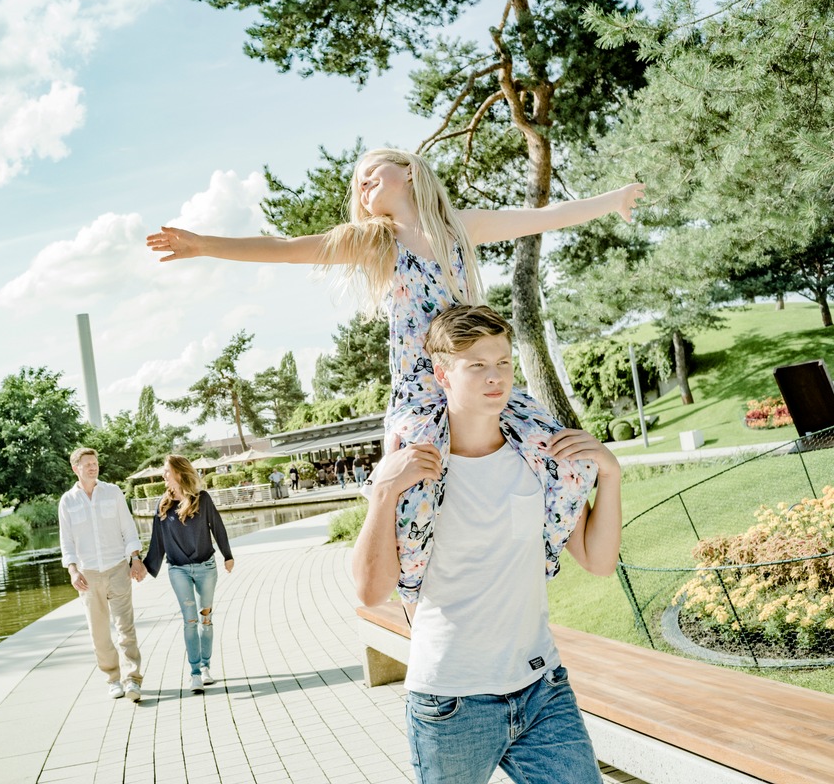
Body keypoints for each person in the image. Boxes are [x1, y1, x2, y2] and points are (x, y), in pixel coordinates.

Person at [147, 147, 642, 604]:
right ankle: (415, 584)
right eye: (357, 185)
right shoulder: (376, 241)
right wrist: (205, 244)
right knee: (416, 492)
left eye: (370, 176)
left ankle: (549, 547)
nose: (362, 188)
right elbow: (287, 246)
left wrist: (612, 199)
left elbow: (540, 217)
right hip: (422, 398)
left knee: (564, 454)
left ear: (407, 170)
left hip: (481, 380)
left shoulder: (457, 229)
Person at [353, 305, 622, 784]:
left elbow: (599, 562)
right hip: (452, 702)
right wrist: (382, 491)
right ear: (442, 374)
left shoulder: (539, 458)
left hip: (542, 688)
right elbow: (371, 592)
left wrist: (611, 474)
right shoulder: (413, 472)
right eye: (476, 365)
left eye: (503, 363)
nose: (495, 377)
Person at [58, 447, 147, 702]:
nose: (93, 467)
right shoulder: (68, 501)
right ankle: (112, 678)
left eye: (95, 463)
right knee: (99, 633)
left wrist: (135, 559)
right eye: (87, 464)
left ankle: (133, 679)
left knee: (125, 628)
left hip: (117, 568)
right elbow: (67, 541)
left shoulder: (112, 492)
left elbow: (128, 527)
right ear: (76, 468)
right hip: (88, 574)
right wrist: (72, 570)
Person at [143, 455, 235, 694]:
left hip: (206, 567)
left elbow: (218, 527)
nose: (163, 474)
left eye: (166, 470)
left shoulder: (202, 500)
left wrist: (227, 555)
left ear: (179, 473)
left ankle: (206, 667)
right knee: (189, 620)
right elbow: (157, 542)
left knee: (205, 619)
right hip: (178, 569)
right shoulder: (163, 504)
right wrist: (144, 567)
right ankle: (194, 673)